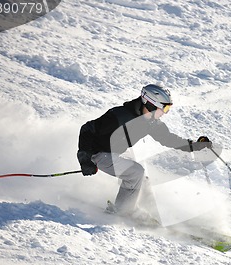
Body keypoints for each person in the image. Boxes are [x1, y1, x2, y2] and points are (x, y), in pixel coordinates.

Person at [77, 84, 212, 220]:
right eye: (164, 108)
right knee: (136, 173)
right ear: (151, 104)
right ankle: (122, 212)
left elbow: (168, 139)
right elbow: (87, 129)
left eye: (168, 108)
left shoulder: (152, 122)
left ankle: (152, 213)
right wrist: (85, 159)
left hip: (117, 152)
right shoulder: (120, 116)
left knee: (142, 179)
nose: (165, 112)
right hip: (98, 153)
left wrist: (194, 146)